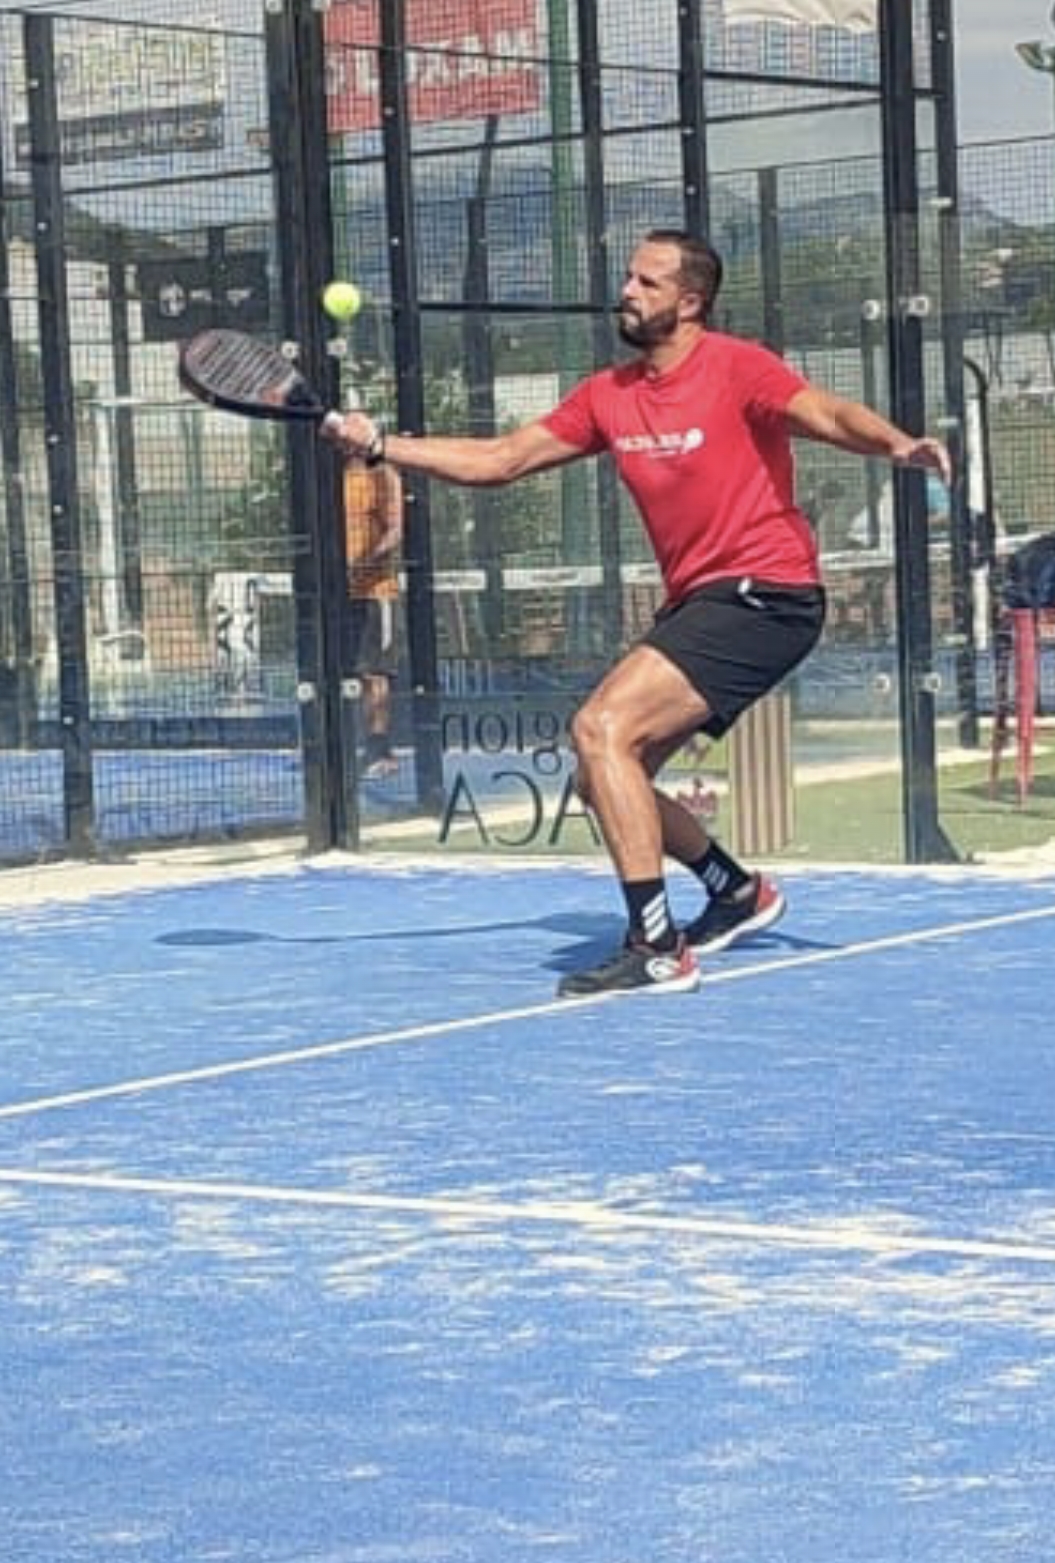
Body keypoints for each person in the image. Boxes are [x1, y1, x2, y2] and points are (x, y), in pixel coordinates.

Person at [326, 230, 952, 997]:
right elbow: (501, 460)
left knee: (600, 728)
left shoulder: (736, 366)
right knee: (602, 776)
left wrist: (896, 445)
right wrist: (381, 444)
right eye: (629, 277)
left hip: (769, 592)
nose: (627, 291)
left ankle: (657, 948)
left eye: (647, 282)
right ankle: (735, 892)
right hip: (704, 600)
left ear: (690, 301)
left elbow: (824, 411)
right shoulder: (609, 395)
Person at [342, 449, 405, 779]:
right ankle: (351, 748)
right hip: (341, 595)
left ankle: (380, 750)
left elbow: (395, 531)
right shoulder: (335, 479)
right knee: (352, 675)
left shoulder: (383, 475)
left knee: (375, 673)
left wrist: (366, 561)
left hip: (376, 592)